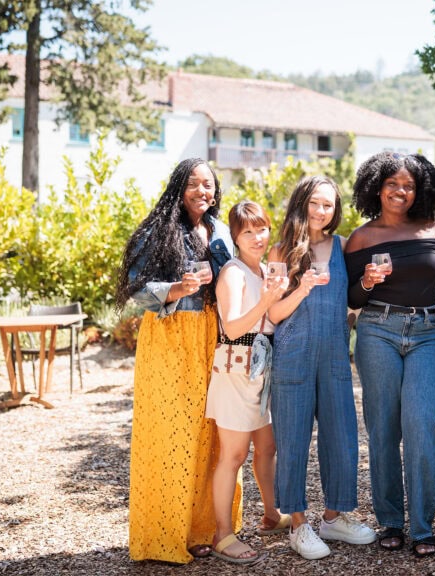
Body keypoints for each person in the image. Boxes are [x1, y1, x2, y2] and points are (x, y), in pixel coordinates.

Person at [116, 158, 241, 564]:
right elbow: (136, 289)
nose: (203, 191)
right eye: (194, 184)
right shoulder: (158, 230)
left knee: (213, 433)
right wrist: (176, 288)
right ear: (178, 187)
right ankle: (163, 535)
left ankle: (203, 529)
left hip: (214, 337)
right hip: (171, 340)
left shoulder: (220, 231)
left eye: (209, 185)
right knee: (173, 435)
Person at [344, 152, 435, 558]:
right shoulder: (361, 238)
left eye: (409, 185)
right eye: (393, 183)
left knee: (423, 426)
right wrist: (366, 281)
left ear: (420, 190)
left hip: (428, 333)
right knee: (383, 429)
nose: (400, 191)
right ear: (377, 187)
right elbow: (352, 297)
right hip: (378, 330)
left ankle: (424, 526)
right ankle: (391, 521)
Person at [267, 175, 376, 560]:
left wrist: (367, 281)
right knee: (293, 439)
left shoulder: (344, 248)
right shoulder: (280, 252)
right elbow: (274, 313)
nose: (320, 210)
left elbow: (352, 301)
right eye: (314, 202)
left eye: (328, 205)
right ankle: (298, 523)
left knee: (342, 436)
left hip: (333, 353)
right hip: (292, 353)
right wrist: (303, 288)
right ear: (301, 203)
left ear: (335, 211)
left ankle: (334, 516)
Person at [204, 201, 289, 564]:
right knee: (234, 456)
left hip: (262, 370)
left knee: (267, 447)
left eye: (262, 229)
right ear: (236, 237)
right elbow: (233, 327)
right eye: (247, 232)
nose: (257, 237)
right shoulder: (234, 273)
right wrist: (268, 299)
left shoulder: (266, 270)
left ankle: (271, 513)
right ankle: (223, 534)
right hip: (236, 370)